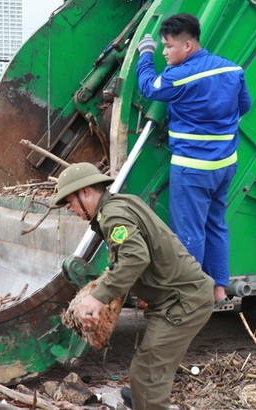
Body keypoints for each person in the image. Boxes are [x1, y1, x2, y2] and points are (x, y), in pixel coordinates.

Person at [54, 162, 213, 409]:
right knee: (146, 369)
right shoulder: (120, 204)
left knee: (148, 371)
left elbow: (135, 257)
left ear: (85, 192)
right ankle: (143, 401)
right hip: (177, 298)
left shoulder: (113, 215)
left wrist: (98, 298)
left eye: (70, 202)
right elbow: (129, 257)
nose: (70, 209)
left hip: (183, 301)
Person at [136, 13, 251, 307]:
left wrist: (145, 55)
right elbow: (245, 106)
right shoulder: (232, 69)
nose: (164, 51)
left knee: (189, 233)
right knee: (216, 226)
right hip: (225, 165)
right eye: (161, 46)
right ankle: (218, 291)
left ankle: (190, 297)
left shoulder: (182, 76)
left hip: (193, 168)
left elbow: (149, 87)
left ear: (187, 46)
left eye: (167, 46)